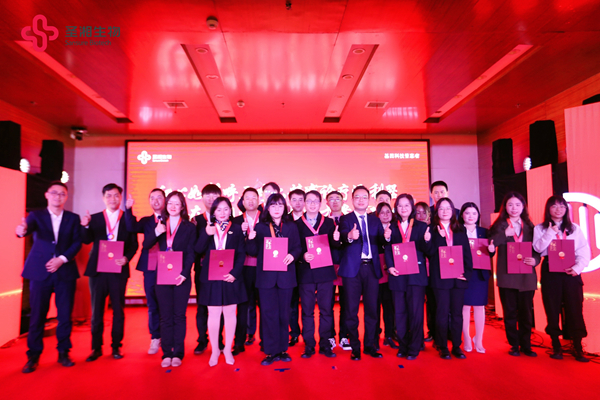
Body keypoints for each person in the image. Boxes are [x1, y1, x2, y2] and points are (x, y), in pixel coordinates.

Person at [17, 181, 82, 373]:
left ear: (66, 197)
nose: (57, 196)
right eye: (54, 193)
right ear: (47, 195)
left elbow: (77, 242)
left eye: (62, 194)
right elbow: (25, 229)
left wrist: (62, 259)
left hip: (65, 271)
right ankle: (33, 356)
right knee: (37, 315)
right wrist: (20, 231)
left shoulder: (73, 218)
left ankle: (64, 352)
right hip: (40, 272)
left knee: (65, 315)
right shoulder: (36, 216)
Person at [81, 183, 138, 362]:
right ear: (103, 198)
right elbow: (86, 240)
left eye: (116, 195)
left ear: (121, 197)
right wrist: (85, 226)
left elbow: (134, 245)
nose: (112, 199)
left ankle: (116, 346)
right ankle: (96, 348)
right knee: (97, 310)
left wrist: (126, 258)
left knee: (118, 310)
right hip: (98, 271)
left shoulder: (128, 218)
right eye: (109, 195)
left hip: (118, 270)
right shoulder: (95, 218)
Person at [533, 195, 591, 362]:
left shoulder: (574, 228)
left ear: (566, 209)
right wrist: (550, 232)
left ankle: (577, 346)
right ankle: (556, 344)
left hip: (570, 270)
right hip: (551, 270)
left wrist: (577, 268)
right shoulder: (540, 228)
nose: (558, 209)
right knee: (552, 307)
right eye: (554, 206)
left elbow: (584, 250)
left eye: (562, 206)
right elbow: (538, 248)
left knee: (575, 307)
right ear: (548, 209)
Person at [246, 193, 302, 365]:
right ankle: (270, 351)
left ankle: (283, 349)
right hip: (266, 279)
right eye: (273, 205)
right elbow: (253, 251)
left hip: (286, 277)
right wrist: (250, 239)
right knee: (268, 314)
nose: (277, 209)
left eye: (280, 205)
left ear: (284, 208)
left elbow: (298, 247)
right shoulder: (260, 227)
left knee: (284, 314)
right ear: (267, 208)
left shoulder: (291, 226)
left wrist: (293, 255)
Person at [143, 191, 196, 367]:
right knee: (165, 316)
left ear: (182, 207)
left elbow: (191, 253)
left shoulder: (189, 227)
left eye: (177, 203)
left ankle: (178, 353)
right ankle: (166, 353)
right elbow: (146, 245)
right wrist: (156, 232)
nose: (173, 206)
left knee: (179, 316)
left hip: (181, 276)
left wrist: (185, 273)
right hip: (162, 275)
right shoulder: (160, 223)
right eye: (170, 203)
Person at [339, 186, 391, 360]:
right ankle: (355, 347)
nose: (361, 200)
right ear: (352, 200)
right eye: (357, 197)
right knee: (351, 310)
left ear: (369, 200)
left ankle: (370, 345)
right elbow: (343, 236)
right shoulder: (345, 219)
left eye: (364, 197)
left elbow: (381, 241)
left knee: (372, 310)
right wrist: (350, 236)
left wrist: (387, 236)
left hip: (371, 268)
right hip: (352, 270)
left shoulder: (375, 220)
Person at [195, 197, 247, 366]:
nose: (222, 213)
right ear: (213, 212)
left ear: (230, 211)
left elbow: (241, 253)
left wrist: (235, 273)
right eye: (218, 210)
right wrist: (206, 234)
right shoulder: (206, 228)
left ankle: (228, 350)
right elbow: (198, 249)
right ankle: (215, 350)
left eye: (226, 209)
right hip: (211, 277)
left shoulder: (236, 229)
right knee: (213, 314)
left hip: (230, 277)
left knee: (230, 314)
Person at [489, 191, 541, 357]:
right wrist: (504, 235)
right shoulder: (499, 226)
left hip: (526, 275)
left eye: (518, 205)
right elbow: (490, 246)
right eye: (510, 205)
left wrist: (535, 260)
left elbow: (537, 248)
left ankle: (526, 344)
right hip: (507, 276)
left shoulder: (530, 227)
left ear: (523, 207)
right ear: (505, 207)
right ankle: (514, 344)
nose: (514, 208)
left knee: (526, 313)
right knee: (510, 312)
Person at [385, 194, 430, 360]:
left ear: (412, 207)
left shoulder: (421, 226)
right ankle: (403, 346)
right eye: (400, 205)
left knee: (416, 312)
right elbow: (388, 249)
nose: (403, 209)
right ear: (396, 208)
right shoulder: (392, 227)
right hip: (397, 275)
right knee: (400, 313)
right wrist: (390, 266)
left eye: (406, 205)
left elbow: (428, 251)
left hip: (416, 276)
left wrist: (427, 241)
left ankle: (414, 347)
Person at [295, 190, 339, 358]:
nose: (312, 204)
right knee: (307, 311)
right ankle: (309, 345)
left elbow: (335, 245)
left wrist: (337, 239)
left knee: (326, 310)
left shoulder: (328, 223)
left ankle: (325, 344)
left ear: (320, 203)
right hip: (306, 273)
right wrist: (302, 256)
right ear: (304, 203)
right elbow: (294, 247)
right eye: (309, 201)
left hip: (325, 272)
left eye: (315, 201)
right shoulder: (297, 224)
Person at [428, 197, 473, 360]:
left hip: (458, 278)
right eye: (441, 208)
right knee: (441, 313)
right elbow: (429, 252)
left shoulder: (460, 230)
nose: (445, 211)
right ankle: (442, 346)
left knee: (457, 314)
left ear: (453, 211)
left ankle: (456, 346)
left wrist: (467, 274)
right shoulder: (431, 230)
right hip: (440, 279)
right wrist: (438, 238)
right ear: (437, 212)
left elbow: (467, 254)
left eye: (448, 208)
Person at [124, 188, 166, 355]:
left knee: (167, 303)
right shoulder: (146, 221)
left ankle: (167, 336)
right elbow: (131, 227)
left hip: (168, 267)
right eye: (152, 198)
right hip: (150, 267)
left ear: (165, 200)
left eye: (159, 197)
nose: (156, 201)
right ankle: (155, 337)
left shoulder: (172, 219)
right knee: (152, 303)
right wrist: (128, 209)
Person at [459, 202, 495, 353]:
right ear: (462, 215)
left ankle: (478, 339)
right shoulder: (457, 231)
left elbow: (490, 252)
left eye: (474, 213)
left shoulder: (484, 232)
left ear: (478, 215)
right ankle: (467, 338)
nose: (471, 216)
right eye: (467, 213)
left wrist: (492, 250)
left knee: (480, 307)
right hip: (463, 273)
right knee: (465, 307)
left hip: (480, 273)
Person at [193, 184, 222, 355]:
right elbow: (195, 248)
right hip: (203, 271)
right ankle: (202, 340)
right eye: (207, 195)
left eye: (214, 195)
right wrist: (206, 233)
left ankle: (220, 341)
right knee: (202, 307)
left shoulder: (226, 218)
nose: (211, 199)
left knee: (221, 306)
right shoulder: (196, 221)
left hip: (222, 271)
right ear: (202, 198)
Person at [232, 187, 261, 354]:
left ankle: (266, 340)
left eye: (253, 198)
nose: (250, 201)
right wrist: (242, 233)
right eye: (247, 198)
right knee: (243, 305)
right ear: (242, 202)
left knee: (264, 305)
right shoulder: (235, 221)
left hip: (263, 268)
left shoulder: (265, 219)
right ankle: (239, 341)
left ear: (258, 200)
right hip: (242, 269)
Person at [326, 190, 350, 351]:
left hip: (345, 266)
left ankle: (344, 336)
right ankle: (329, 336)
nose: (335, 202)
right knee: (327, 304)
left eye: (338, 199)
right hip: (328, 266)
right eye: (331, 199)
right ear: (327, 203)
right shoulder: (324, 222)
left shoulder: (349, 220)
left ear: (343, 201)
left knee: (346, 304)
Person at [374, 202, 398, 351]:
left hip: (392, 271)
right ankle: (375, 335)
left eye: (388, 212)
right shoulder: (373, 228)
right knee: (375, 305)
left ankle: (389, 334)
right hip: (376, 270)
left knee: (389, 306)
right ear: (377, 214)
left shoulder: (397, 228)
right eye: (382, 212)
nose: (385, 215)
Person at [287, 188, 305, 346]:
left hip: (307, 266)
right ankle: (294, 332)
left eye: (301, 199)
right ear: (289, 201)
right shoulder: (284, 219)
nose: (298, 203)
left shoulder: (312, 218)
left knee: (307, 302)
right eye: (294, 199)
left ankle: (308, 333)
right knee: (291, 303)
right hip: (289, 266)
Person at [415, 201, 435, 343]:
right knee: (417, 305)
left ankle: (433, 331)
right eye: (418, 212)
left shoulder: (434, 229)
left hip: (433, 272)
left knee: (433, 303)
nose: (421, 215)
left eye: (424, 212)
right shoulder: (412, 230)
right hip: (418, 272)